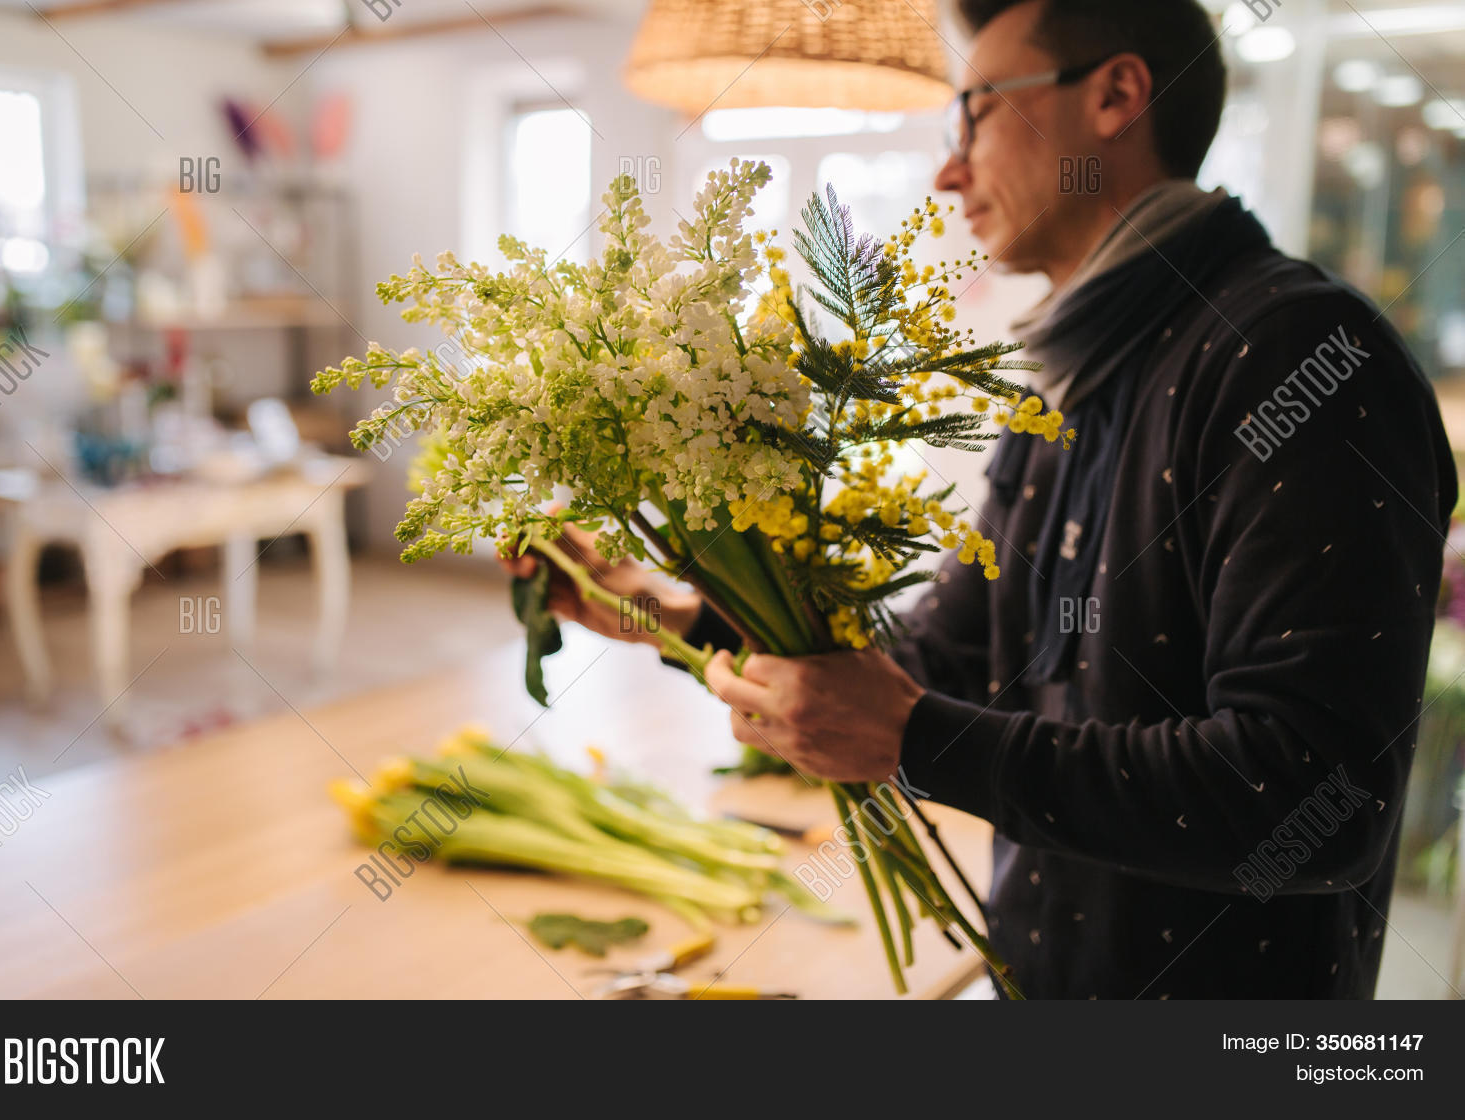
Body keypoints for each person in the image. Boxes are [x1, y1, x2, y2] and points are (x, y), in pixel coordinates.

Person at [504, 0, 1457, 998]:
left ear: (1116, 96)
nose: (947, 169)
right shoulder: (1072, 374)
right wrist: (662, 611)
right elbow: (939, 660)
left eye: (974, 114)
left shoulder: (1297, 357)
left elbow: (1314, 793)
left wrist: (919, 739)